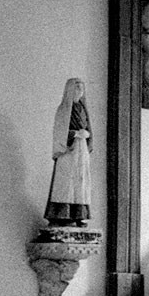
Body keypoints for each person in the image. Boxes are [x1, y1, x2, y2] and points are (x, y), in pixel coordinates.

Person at [45, 78, 92, 223]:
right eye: (77, 88)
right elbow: (59, 131)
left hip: (81, 148)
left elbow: (88, 127)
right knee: (66, 181)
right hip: (68, 149)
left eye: (82, 88)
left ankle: (79, 214)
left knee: (80, 180)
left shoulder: (83, 109)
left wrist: (87, 134)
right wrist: (75, 134)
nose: (80, 91)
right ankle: (61, 215)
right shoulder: (63, 109)